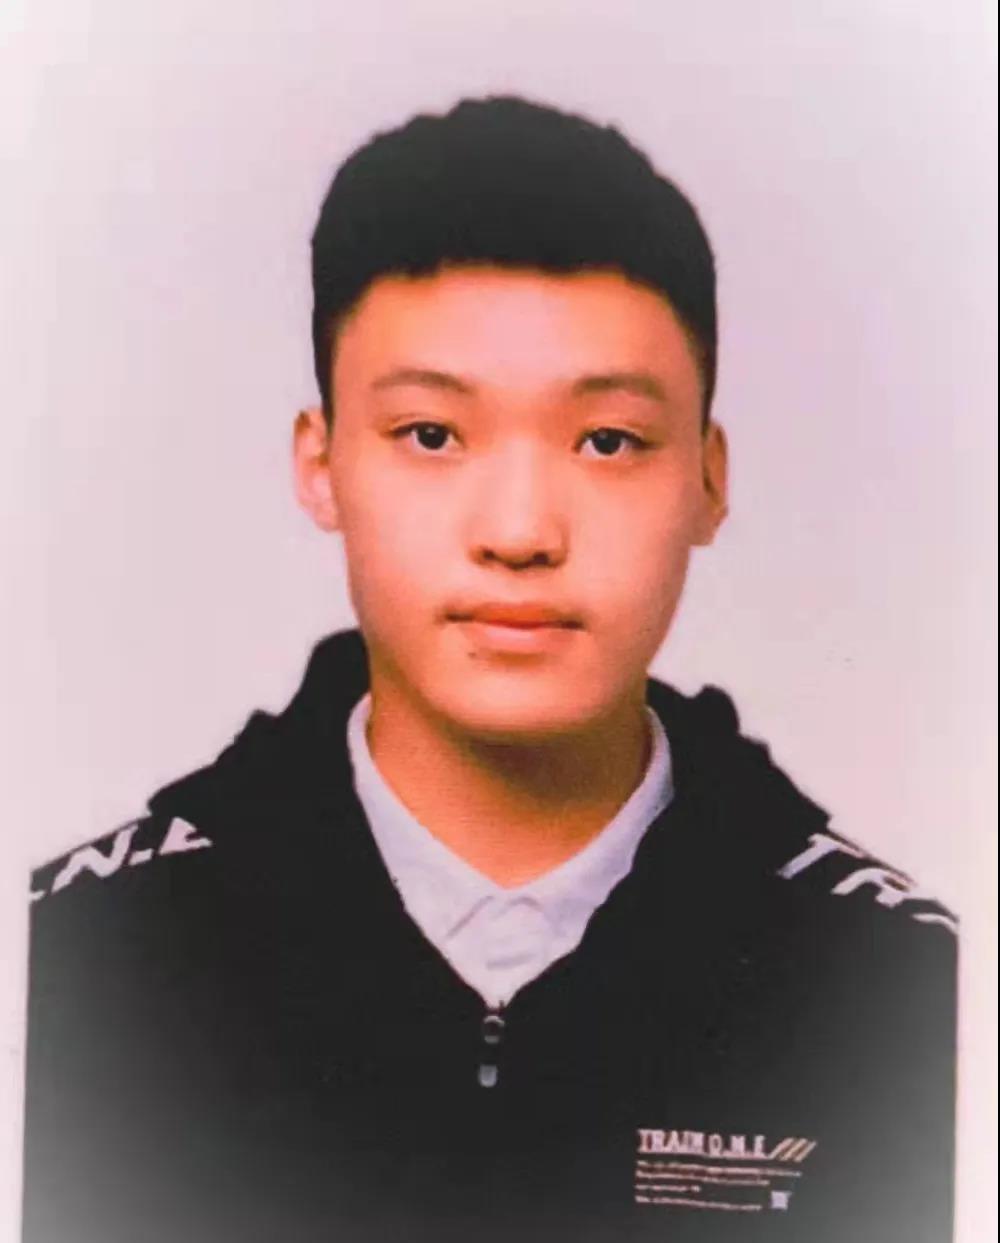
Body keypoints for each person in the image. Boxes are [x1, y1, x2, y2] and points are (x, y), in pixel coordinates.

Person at [21, 96, 957, 1243]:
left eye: (607, 441)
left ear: (708, 481)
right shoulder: (82, 953)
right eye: (431, 435)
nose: (519, 531)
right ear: (321, 466)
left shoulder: (902, 977)